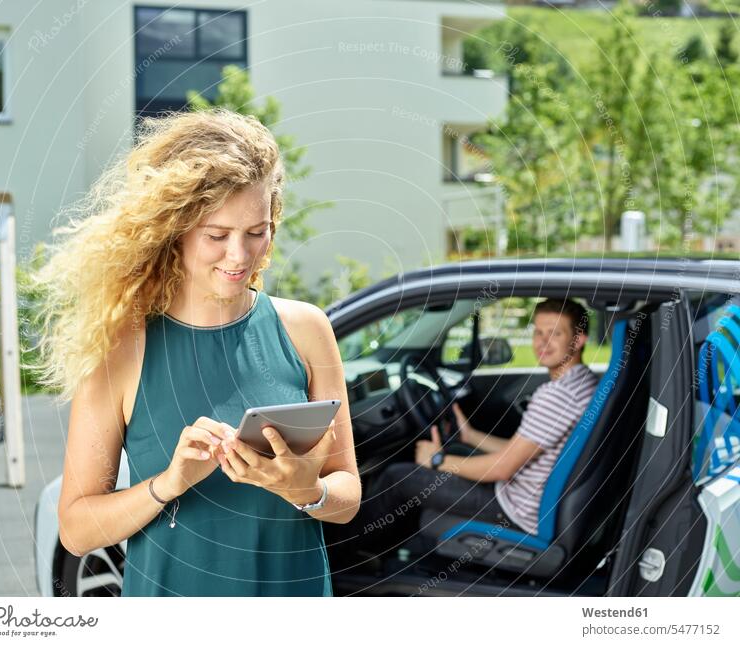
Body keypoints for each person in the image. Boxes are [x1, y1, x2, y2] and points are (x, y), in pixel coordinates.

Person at [32, 108, 361, 596]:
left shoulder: (307, 330)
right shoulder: (122, 348)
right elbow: (77, 530)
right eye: (217, 235)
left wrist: (305, 490)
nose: (240, 256)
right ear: (175, 230)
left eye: (257, 232)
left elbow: (348, 495)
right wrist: (170, 482)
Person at [327, 299, 599, 561]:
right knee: (457, 449)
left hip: (516, 507)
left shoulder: (557, 396)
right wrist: (470, 436)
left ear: (579, 339)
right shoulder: (582, 383)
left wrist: (437, 460)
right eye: (538, 332)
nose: (542, 342)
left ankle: (339, 555)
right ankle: (381, 552)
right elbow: (522, 450)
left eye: (555, 333)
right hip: (529, 496)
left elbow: (502, 468)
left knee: (398, 477)